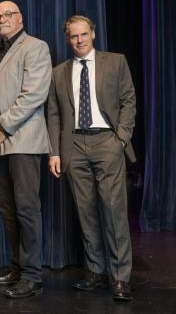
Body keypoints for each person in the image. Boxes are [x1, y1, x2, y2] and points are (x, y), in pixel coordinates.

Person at [47, 15, 136, 302]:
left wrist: (119, 139)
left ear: (93, 34)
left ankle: (120, 276)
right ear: (67, 38)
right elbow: (54, 114)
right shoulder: (58, 72)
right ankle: (96, 271)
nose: (79, 40)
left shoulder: (115, 61)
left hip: (106, 141)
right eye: (74, 36)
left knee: (113, 211)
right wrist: (55, 152)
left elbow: (128, 100)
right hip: (74, 145)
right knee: (85, 212)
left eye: (84, 34)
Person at [0, 0, 52, 298]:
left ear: (20, 18)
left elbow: (33, 94)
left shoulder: (36, 47)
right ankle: (16, 266)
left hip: (22, 140)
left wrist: (1, 128)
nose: (2, 20)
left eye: (7, 15)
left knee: (26, 208)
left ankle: (32, 274)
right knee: (5, 208)